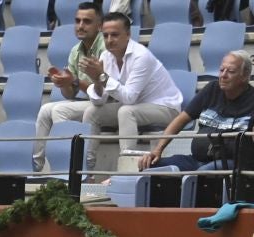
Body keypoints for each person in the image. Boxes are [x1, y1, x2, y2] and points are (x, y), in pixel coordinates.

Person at [81, 12, 181, 176]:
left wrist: (102, 76)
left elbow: (129, 98)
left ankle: (127, 170)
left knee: (126, 111)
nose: (109, 40)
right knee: (92, 112)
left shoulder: (141, 56)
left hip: (166, 109)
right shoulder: (106, 56)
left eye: (114, 35)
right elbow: (100, 100)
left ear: (128, 34)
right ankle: (86, 171)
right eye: (105, 35)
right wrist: (97, 81)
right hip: (136, 107)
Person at [139, 52, 254, 173]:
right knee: (151, 166)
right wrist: (158, 150)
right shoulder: (211, 89)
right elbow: (181, 120)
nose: (223, 75)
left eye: (231, 71)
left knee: (202, 172)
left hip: (232, 163)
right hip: (196, 160)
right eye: (221, 70)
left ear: (244, 76)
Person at [34, 2, 103, 172]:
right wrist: (64, 83)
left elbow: (102, 91)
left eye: (87, 21)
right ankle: (35, 167)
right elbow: (69, 94)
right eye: (78, 21)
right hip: (87, 101)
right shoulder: (75, 51)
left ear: (99, 25)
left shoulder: (105, 47)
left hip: (105, 101)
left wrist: (75, 82)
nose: (80, 26)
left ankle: (68, 165)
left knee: (59, 110)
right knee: (45, 109)